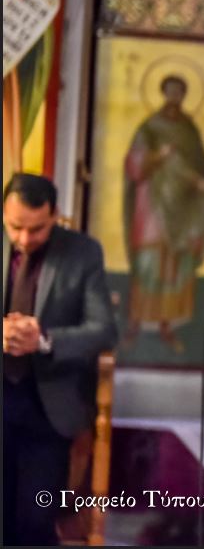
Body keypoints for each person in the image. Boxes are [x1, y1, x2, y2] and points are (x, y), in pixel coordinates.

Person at [3, 173, 118, 545]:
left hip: (49, 405)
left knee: (35, 522)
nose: (24, 239)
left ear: (54, 215)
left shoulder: (82, 253)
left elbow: (104, 330)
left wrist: (43, 339)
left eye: (36, 229)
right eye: (15, 227)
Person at [123, 74, 204, 352]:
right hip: (152, 207)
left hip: (184, 209)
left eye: (180, 91)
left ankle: (167, 325)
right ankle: (135, 323)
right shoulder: (150, 129)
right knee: (149, 264)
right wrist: (158, 156)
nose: (175, 96)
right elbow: (134, 164)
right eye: (171, 90)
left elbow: (201, 164)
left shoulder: (189, 129)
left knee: (176, 265)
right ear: (163, 93)